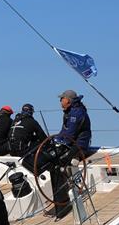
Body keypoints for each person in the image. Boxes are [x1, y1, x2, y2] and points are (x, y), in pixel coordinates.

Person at [30, 90, 92, 218]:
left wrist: (58, 143)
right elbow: (64, 131)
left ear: (68, 100)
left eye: (61, 99)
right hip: (70, 142)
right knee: (50, 157)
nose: (60, 101)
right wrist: (55, 141)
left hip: (78, 145)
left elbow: (70, 134)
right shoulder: (70, 112)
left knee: (57, 163)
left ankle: (63, 203)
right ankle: (61, 202)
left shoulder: (76, 113)